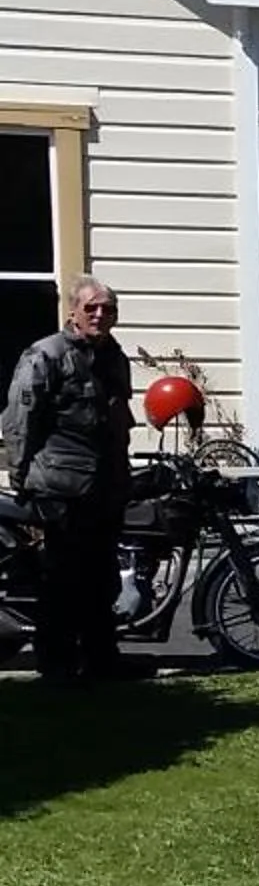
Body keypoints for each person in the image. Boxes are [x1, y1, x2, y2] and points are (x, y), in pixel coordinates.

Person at [2, 277, 136, 681]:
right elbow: (19, 419)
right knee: (62, 582)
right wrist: (20, 473)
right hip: (60, 488)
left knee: (101, 579)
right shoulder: (45, 355)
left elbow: (118, 424)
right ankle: (56, 666)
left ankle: (102, 662)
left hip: (104, 489)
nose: (100, 314)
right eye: (92, 307)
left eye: (108, 308)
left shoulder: (115, 357)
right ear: (73, 311)